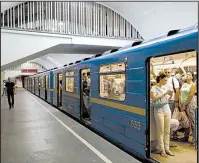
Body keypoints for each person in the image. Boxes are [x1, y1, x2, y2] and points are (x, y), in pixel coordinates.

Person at [151, 73, 174, 157]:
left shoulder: (165, 87)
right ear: (160, 79)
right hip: (159, 111)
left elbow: (167, 99)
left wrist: (170, 95)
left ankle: (167, 148)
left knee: (167, 130)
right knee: (160, 131)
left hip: (167, 109)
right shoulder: (154, 88)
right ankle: (162, 149)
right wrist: (164, 93)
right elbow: (154, 98)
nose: (166, 81)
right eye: (165, 80)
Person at [179, 71, 197, 145]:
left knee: (192, 121)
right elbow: (180, 94)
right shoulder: (183, 84)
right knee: (185, 121)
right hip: (183, 103)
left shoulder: (193, 85)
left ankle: (195, 139)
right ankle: (186, 136)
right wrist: (180, 103)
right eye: (187, 74)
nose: (188, 75)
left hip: (190, 104)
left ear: (192, 77)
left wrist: (184, 104)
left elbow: (190, 96)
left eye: (190, 74)